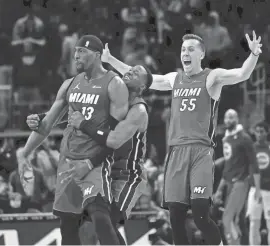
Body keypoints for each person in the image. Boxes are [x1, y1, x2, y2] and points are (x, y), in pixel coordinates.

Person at [101, 30, 262, 245]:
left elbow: (242, 74)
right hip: (176, 152)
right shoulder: (175, 78)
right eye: (183, 49)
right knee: (175, 216)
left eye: (191, 49)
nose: (185, 53)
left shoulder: (211, 77)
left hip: (200, 152)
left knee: (201, 214)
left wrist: (253, 55)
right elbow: (140, 76)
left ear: (201, 54)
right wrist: (111, 60)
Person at [18, 35, 129, 245]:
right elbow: (46, 125)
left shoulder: (114, 84)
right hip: (68, 162)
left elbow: (117, 138)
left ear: (97, 55)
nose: (76, 56)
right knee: (68, 227)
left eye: (82, 52)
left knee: (101, 219)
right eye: (75, 51)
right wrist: (26, 151)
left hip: (95, 162)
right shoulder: (70, 84)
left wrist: (89, 163)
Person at [27, 65, 154, 245]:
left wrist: (84, 124)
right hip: (106, 166)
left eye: (136, 73)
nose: (130, 71)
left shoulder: (138, 110)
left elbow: (113, 140)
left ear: (142, 87)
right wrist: (44, 117)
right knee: (94, 221)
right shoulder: (113, 98)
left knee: (105, 220)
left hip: (127, 174)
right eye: (131, 69)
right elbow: (77, 112)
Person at [213, 109, 260, 244]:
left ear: (237, 119)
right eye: (227, 117)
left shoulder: (244, 138)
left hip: (241, 182)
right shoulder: (226, 138)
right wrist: (219, 190)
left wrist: (256, 188)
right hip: (229, 183)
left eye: (232, 117)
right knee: (233, 220)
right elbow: (228, 168)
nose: (229, 120)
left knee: (228, 218)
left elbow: (254, 163)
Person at [246, 121, 270, 245]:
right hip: (255, 190)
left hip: (268, 190)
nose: (260, 134)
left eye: (262, 131)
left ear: (267, 132)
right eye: (257, 131)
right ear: (254, 133)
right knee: (254, 222)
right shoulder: (251, 149)